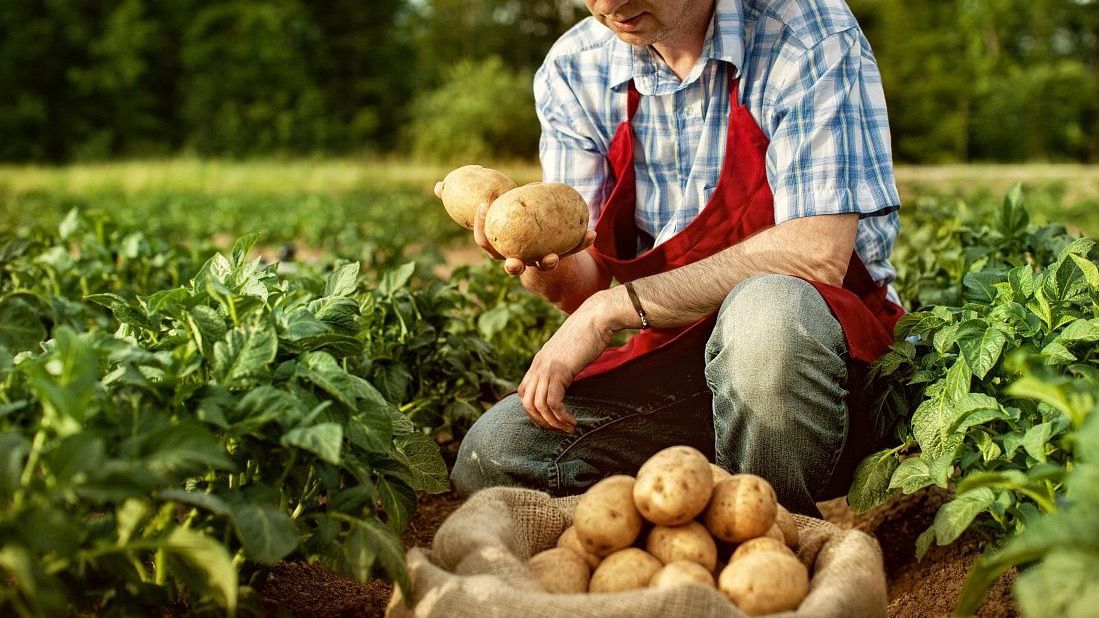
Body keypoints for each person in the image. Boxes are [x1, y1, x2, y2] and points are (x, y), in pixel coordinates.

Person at [447, 0, 904, 516]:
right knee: (497, 455)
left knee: (766, 316)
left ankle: (762, 533)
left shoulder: (804, 33)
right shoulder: (574, 67)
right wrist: (532, 252)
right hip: (681, 368)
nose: (606, 4)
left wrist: (614, 309)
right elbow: (583, 284)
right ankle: (689, 516)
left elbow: (814, 255)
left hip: (828, 376)